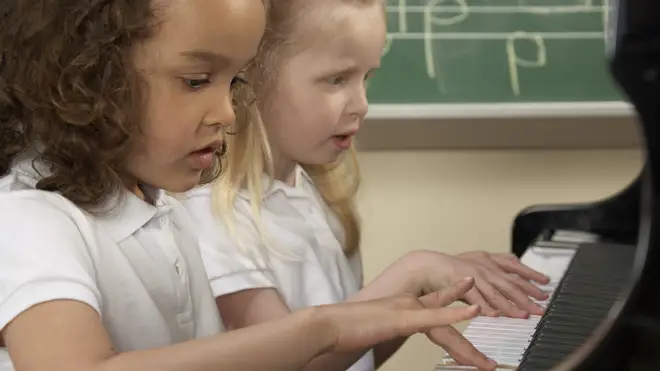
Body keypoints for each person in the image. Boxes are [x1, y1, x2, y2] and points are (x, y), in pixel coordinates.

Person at [0, 1, 486, 371]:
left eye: (233, 82)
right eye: (195, 80)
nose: (229, 113)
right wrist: (323, 328)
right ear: (85, 75)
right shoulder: (30, 218)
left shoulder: (161, 208)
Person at [181, 0, 552, 370]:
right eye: (337, 79)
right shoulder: (214, 218)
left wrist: (416, 303)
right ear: (252, 79)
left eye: (367, 77)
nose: (362, 104)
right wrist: (411, 273)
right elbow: (294, 361)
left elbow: (353, 357)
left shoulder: (310, 191)